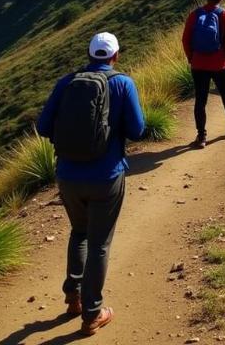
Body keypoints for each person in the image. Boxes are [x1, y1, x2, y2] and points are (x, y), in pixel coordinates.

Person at [36, 32, 145, 336]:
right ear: (116, 56)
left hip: (68, 176)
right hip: (106, 176)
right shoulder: (123, 83)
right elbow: (137, 130)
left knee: (79, 232)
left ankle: (73, 297)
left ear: (89, 54)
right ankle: (92, 314)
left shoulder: (67, 82)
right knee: (100, 243)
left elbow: (43, 126)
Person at [181, 0, 225, 148]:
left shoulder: (194, 15)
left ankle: (201, 136)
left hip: (198, 64)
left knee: (200, 100)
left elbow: (185, 39)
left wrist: (191, 57)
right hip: (219, 63)